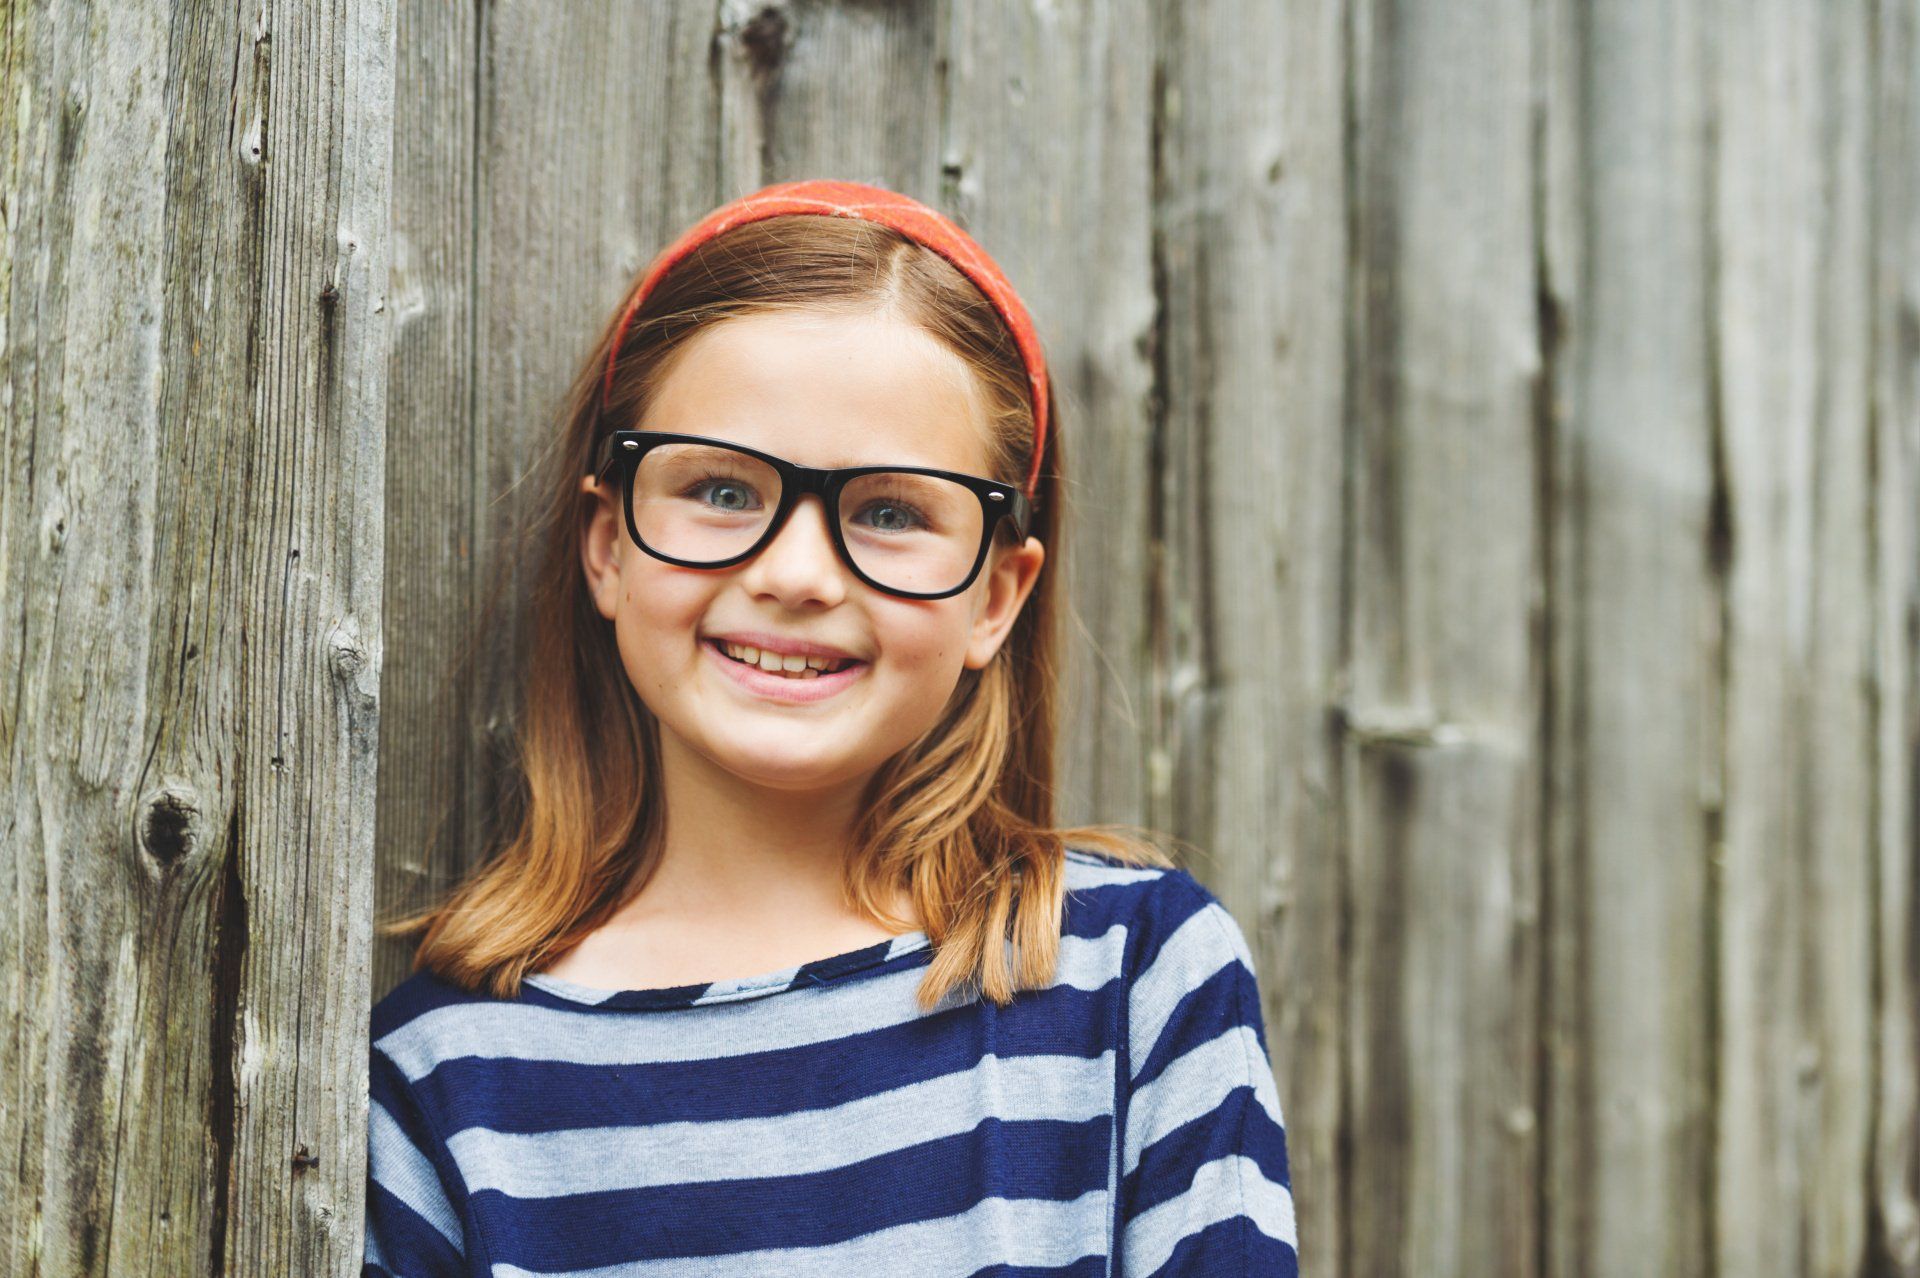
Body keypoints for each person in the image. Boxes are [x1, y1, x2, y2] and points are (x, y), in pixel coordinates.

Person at [361, 178, 1299, 1277]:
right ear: (608, 545)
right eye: (719, 489)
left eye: (891, 513)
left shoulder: (1133, 978)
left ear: (996, 597)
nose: (796, 573)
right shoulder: (446, 1078)